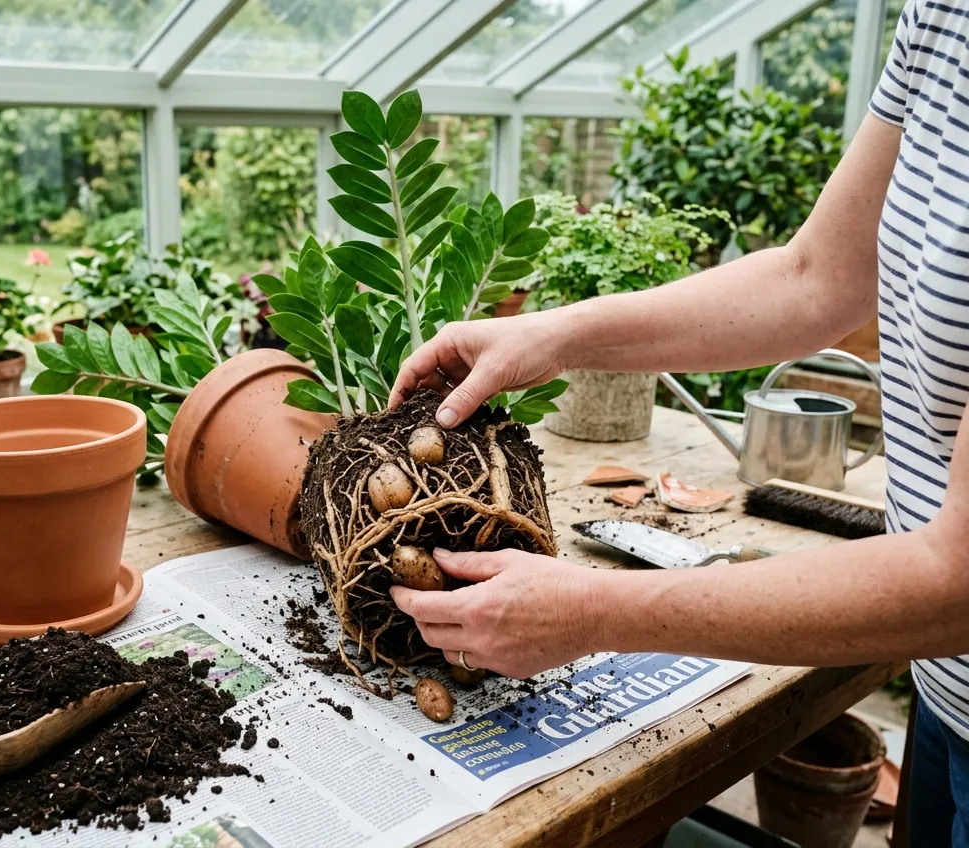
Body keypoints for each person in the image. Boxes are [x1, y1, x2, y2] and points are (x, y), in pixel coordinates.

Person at [388, 3, 969, 844]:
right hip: (947, 696)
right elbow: (817, 276)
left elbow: (957, 580)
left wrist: (595, 611)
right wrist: (551, 334)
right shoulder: (942, 17)